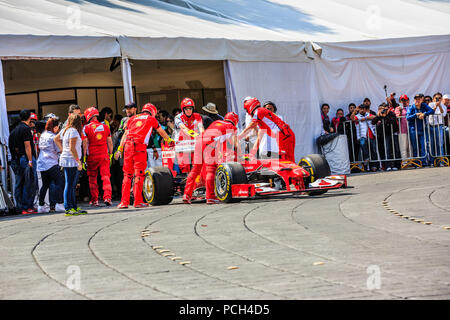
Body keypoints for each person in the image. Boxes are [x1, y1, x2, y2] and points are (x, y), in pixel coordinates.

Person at [115, 103, 174, 209]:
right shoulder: (151, 119)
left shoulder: (132, 119)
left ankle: (124, 202)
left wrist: (120, 149)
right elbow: (161, 131)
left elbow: (125, 134)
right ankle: (137, 201)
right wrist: (169, 140)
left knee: (127, 175)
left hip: (128, 146)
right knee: (138, 175)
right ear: (153, 112)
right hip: (139, 148)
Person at [183, 112, 240, 204]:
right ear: (235, 121)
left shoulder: (216, 122)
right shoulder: (231, 127)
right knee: (211, 170)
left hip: (199, 141)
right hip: (210, 142)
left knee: (195, 170)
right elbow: (234, 145)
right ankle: (210, 197)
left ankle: (187, 195)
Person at [238, 97, 295, 162]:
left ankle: (301, 172)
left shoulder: (258, 111)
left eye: (246, 110)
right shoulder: (263, 122)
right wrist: (251, 154)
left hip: (284, 136)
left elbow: (250, 127)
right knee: (284, 162)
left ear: (250, 107)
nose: (247, 113)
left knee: (286, 162)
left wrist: (238, 138)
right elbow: (259, 139)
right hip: (285, 136)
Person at [54, 114, 87, 216]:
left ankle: (73, 206)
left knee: (71, 185)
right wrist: (78, 161)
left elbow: (56, 138)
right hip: (71, 161)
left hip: (67, 159)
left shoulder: (65, 130)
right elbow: (73, 148)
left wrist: (63, 150)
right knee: (70, 184)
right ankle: (68, 207)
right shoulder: (73, 131)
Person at [8, 109, 38, 214]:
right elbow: (27, 146)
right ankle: (27, 206)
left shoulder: (14, 130)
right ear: (29, 117)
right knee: (28, 183)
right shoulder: (25, 129)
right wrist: (30, 160)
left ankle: (20, 207)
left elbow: (11, 147)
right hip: (25, 158)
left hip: (15, 159)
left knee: (19, 184)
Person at [82, 107, 113, 206]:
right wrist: (110, 154)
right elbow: (110, 142)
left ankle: (95, 200)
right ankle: (107, 197)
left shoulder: (86, 128)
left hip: (92, 156)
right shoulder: (105, 127)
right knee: (106, 177)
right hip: (104, 155)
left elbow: (85, 143)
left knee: (92, 178)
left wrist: (84, 157)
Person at [36, 117, 65, 213]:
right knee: (58, 182)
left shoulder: (43, 135)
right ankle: (59, 204)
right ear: (55, 127)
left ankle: (41, 206)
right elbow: (59, 150)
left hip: (41, 163)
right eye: (57, 127)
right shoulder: (53, 137)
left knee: (45, 185)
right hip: (51, 162)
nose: (58, 129)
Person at [174, 98, 204, 172]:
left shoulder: (197, 116)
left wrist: (203, 137)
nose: (188, 110)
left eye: (190, 108)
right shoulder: (178, 117)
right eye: (186, 109)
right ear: (183, 109)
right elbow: (184, 129)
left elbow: (201, 128)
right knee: (185, 166)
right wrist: (197, 135)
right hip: (182, 143)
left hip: (194, 142)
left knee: (197, 164)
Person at [406, 94, 435, 167]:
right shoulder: (411, 107)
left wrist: (424, 114)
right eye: (416, 99)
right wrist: (416, 115)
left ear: (422, 100)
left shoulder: (424, 105)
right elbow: (407, 117)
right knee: (415, 147)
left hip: (423, 129)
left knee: (424, 145)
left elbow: (432, 111)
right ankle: (416, 163)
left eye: (419, 99)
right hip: (413, 129)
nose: (417, 100)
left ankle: (424, 162)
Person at [371, 103, 398, 171]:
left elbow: (392, 121)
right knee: (385, 150)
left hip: (390, 134)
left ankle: (394, 165)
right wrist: (378, 115)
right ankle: (387, 165)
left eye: (384, 109)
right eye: (382, 109)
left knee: (392, 150)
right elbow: (373, 122)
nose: (383, 110)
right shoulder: (380, 115)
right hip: (382, 135)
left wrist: (386, 116)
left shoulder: (391, 113)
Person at [353, 104, 378, 171]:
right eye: (360, 109)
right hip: (362, 136)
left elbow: (375, 117)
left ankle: (374, 166)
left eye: (363, 109)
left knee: (373, 151)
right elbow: (352, 118)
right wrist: (354, 111)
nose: (362, 110)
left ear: (365, 109)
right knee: (364, 150)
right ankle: (367, 166)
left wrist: (366, 118)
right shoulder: (357, 116)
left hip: (371, 135)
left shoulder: (368, 114)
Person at [428, 92, 446, 166]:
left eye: (439, 98)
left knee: (440, 144)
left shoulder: (443, 106)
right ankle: (432, 162)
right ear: (433, 99)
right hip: (431, 126)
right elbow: (430, 113)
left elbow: (443, 114)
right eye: (436, 98)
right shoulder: (430, 104)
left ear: (441, 99)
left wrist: (440, 106)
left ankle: (440, 161)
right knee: (431, 144)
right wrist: (436, 106)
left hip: (439, 126)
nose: (437, 99)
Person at [395, 95, 411, 161]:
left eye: (405, 100)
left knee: (410, 147)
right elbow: (398, 117)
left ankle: (411, 162)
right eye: (402, 100)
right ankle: (405, 163)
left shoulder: (411, 107)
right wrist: (401, 111)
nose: (404, 102)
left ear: (408, 100)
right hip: (402, 130)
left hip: (411, 130)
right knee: (403, 148)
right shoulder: (398, 108)